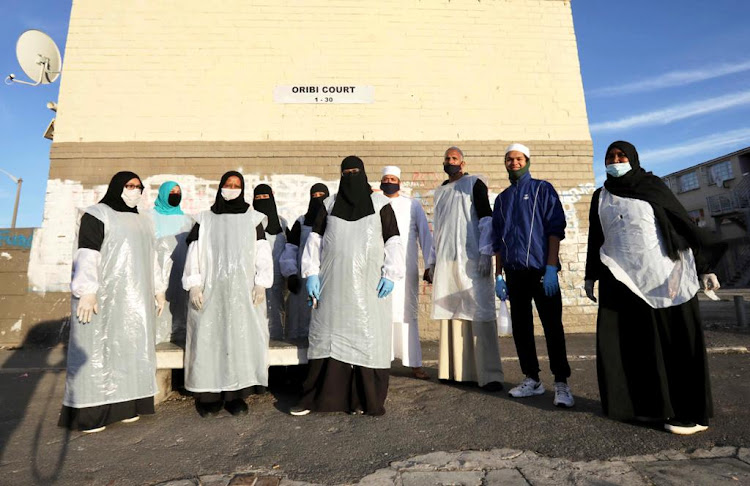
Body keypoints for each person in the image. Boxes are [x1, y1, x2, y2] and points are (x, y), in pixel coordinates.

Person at [585, 141, 726, 435]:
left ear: (633, 159)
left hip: (666, 276)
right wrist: (590, 276)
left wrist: (704, 267)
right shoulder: (601, 196)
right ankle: (646, 408)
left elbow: (682, 225)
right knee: (636, 345)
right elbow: (595, 237)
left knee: (676, 342)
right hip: (621, 279)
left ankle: (692, 414)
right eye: (610, 156)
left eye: (621, 156)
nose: (615, 160)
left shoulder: (652, 187)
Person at [292, 156, 405, 416]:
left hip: (369, 290)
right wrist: (311, 273)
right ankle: (318, 399)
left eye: (356, 171)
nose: (351, 176)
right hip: (333, 290)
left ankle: (364, 401)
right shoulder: (329, 205)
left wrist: (391, 274)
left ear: (364, 174)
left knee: (367, 340)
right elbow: (315, 241)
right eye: (346, 172)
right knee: (328, 339)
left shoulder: (380, 204)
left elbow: (393, 241)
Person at [60, 171, 163, 433]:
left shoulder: (144, 220)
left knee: (131, 350)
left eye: (139, 187)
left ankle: (127, 407)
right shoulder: (98, 214)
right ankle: (92, 414)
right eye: (129, 185)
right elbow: (88, 252)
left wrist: (158, 289)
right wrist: (87, 290)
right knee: (97, 350)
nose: (135, 191)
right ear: (117, 187)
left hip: (135, 299)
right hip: (103, 296)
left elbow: (152, 258)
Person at [182, 171, 274, 417]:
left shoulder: (253, 219)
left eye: (236, 185)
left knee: (239, 341)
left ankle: (235, 396)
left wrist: (261, 283)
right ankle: (208, 396)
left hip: (242, 294)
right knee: (209, 340)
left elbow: (262, 252)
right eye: (228, 184)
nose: (231, 188)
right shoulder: (205, 219)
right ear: (220, 187)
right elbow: (194, 252)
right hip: (211, 293)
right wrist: (194, 284)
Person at [492, 143, 574, 407]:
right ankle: (532, 380)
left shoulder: (542, 189)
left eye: (518, 158)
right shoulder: (502, 199)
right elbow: (497, 241)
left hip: (541, 271)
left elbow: (554, 229)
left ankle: (561, 383)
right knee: (522, 328)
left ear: (527, 161)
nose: (513, 163)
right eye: (509, 159)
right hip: (514, 274)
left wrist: (551, 268)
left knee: (552, 326)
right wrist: (498, 275)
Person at [428, 146, 504, 391]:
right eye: (447, 158)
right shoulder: (440, 192)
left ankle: (489, 374)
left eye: (454, 158)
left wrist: (485, 251)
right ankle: (455, 371)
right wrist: (432, 263)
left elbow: (486, 217)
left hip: (472, 260)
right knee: (452, 313)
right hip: (447, 261)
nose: (450, 161)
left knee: (479, 313)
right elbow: (437, 230)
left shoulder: (474, 183)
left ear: (462, 162)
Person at [379, 166, 434, 380]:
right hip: (382, 269)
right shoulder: (376, 204)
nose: (389, 181)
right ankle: (382, 362)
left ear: (399, 182)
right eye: (386, 178)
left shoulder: (412, 205)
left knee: (407, 314)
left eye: (393, 178)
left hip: (407, 268)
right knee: (383, 314)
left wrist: (430, 264)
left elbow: (425, 235)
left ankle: (415, 364)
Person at [279, 183, 330, 340]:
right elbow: (291, 249)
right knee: (300, 319)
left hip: (327, 277)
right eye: (314, 196)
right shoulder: (301, 223)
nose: (317, 199)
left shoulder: (333, 220)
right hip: (304, 280)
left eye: (321, 196)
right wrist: (291, 274)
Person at [151, 181, 193, 344]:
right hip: (158, 271)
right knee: (159, 307)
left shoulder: (186, 220)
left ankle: (178, 335)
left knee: (179, 307)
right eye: (171, 191)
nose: (175, 194)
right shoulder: (150, 217)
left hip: (180, 269)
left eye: (178, 191)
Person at [253, 184, 288, 340]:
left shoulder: (282, 223)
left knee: (276, 318)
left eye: (265, 198)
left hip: (279, 282)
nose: (262, 202)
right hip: (255, 282)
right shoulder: (251, 222)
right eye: (258, 198)